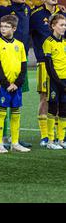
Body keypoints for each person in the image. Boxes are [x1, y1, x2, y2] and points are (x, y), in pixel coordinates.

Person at [0, 0, 32, 149]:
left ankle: (14, 138)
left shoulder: (28, 10)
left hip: (19, 64)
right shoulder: (3, 10)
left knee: (16, 103)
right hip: (5, 65)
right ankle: (2, 138)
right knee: (3, 105)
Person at [30, 0, 66, 147]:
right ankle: (45, 136)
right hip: (44, 64)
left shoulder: (63, 14)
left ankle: (60, 136)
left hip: (62, 65)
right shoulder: (36, 15)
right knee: (45, 98)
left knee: (61, 100)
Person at [0, 15, 29, 153]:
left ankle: (15, 142)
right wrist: (6, 84)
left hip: (16, 86)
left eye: (6, 26)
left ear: (14, 28)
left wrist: (17, 84)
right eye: (1, 26)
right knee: (1, 113)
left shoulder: (20, 45)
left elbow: (24, 67)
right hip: (3, 86)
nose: (3, 29)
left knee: (16, 113)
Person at [42, 14, 66, 149]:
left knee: (64, 109)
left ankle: (61, 139)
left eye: (65, 25)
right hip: (54, 82)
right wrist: (60, 83)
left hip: (65, 80)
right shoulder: (48, 42)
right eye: (61, 25)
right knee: (52, 108)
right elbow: (49, 67)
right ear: (53, 26)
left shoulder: (65, 42)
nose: (64, 27)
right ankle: (51, 140)